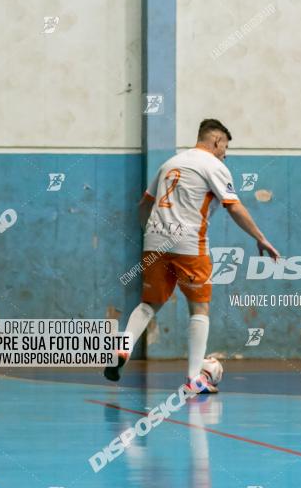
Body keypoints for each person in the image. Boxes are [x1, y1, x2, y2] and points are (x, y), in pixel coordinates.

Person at [104, 119, 279, 392]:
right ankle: (194, 378)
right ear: (217, 140)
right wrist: (261, 238)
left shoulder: (168, 164)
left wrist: (150, 234)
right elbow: (234, 207)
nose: (226, 153)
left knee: (149, 304)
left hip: (155, 240)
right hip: (189, 243)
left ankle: (122, 348)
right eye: (225, 146)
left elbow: (144, 204)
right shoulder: (214, 166)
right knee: (199, 307)